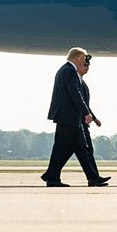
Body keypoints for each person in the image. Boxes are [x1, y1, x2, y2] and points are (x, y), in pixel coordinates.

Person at [40, 47, 110, 187]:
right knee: (61, 148)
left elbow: (77, 95)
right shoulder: (69, 71)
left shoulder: (65, 71)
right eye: (84, 59)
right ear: (78, 58)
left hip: (71, 117)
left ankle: (92, 177)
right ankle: (52, 177)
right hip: (68, 116)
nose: (85, 62)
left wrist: (90, 115)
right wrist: (86, 113)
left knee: (82, 148)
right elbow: (75, 94)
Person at [79, 55, 109, 184]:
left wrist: (94, 118)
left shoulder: (80, 81)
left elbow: (84, 103)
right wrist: (89, 116)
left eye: (88, 66)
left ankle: (52, 174)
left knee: (83, 150)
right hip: (78, 121)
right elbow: (79, 101)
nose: (87, 68)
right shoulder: (75, 79)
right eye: (85, 65)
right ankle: (93, 178)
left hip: (80, 121)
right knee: (86, 150)